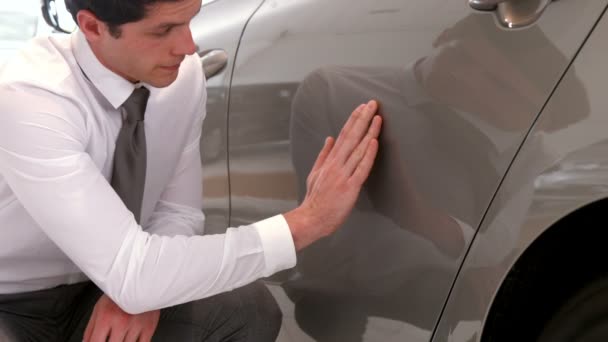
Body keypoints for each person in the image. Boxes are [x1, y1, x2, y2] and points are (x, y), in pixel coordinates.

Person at [0, 0, 382, 341]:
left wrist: (146, 289)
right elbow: (134, 275)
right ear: (93, 27)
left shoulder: (182, 78)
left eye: (190, 21)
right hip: (10, 299)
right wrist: (308, 222)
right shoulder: (31, 98)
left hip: (96, 287)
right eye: (163, 30)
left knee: (245, 309)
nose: (188, 47)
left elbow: (177, 211)